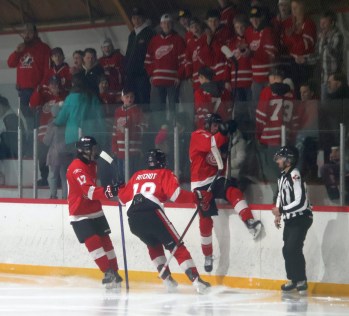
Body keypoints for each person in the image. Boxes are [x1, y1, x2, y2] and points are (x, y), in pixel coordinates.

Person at [117, 148, 212, 294]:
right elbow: (176, 195)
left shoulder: (137, 175)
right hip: (152, 213)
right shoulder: (165, 173)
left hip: (133, 220)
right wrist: (197, 196)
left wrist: (121, 187)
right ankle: (197, 282)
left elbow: (123, 198)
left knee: (153, 244)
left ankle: (167, 280)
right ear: (161, 162)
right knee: (177, 247)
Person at [189, 113, 263, 273]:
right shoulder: (198, 135)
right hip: (200, 184)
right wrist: (223, 131)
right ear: (207, 124)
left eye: (218, 125)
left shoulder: (219, 137)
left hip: (215, 178)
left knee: (233, 191)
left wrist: (231, 132)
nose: (217, 127)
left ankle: (249, 221)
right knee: (205, 221)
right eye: (214, 125)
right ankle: (208, 255)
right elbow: (212, 143)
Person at [66, 136, 123, 289]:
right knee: (93, 242)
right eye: (93, 148)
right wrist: (109, 192)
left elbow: (97, 187)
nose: (96, 151)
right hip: (79, 212)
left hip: (95, 210)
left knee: (106, 243)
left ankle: (115, 272)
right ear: (84, 150)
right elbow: (89, 191)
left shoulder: (93, 164)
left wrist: (114, 184)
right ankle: (107, 272)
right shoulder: (76, 168)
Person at [272, 145, 313, 294]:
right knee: (287, 249)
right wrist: (278, 214)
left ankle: (301, 280)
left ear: (289, 161)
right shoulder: (282, 176)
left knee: (292, 248)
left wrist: (281, 210)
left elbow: (301, 202)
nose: (277, 161)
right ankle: (294, 279)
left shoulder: (294, 174)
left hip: (301, 218)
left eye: (281, 158)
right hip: (291, 219)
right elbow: (280, 196)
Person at [7, 23, 51, 155]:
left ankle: (38, 149)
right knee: (27, 121)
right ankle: (30, 148)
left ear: (35, 33)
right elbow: (10, 63)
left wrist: (40, 88)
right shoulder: (22, 48)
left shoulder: (44, 48)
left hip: (36, 91)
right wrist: (17, 52)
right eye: (24, 32)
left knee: (37, 122)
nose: (27, 35)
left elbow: (47, 70)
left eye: (30, 32)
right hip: (23, 91)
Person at [145, 13, 186, 130]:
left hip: (173, 80)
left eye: (168, 23)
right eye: (164, 23)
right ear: (161, 25)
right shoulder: (154, 40)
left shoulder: (178, 40)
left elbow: (184, 60)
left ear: (172, 24)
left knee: (173, 104)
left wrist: (179, 76)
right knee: (160, 106)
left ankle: (174, 126)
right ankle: (162, 128)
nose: (166, 25)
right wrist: (150, 75)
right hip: (158, 80)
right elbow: (148, 59)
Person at [30, 75, 66, 187]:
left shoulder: (63, 96)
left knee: (58, 157)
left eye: (56, 84)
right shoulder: (43, 95)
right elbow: (33, 104)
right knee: (42, 157)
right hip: (43, 133)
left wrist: (57, 95)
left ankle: (59, 180)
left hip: (58, 134)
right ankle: (44, 178)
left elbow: (65, 110)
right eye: (51, 84)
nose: (53, 86)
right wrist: (38, 91)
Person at [111, 87, 144, 183]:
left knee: (130, 176)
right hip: (120, 151)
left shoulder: (137, 111)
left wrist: (129, 129)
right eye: (127, 96)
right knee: (121, 175)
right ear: (122, 98)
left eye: (132, 97)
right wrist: (114, 147)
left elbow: (143, 128)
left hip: (132, 151)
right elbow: (114, 130)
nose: (129, 99)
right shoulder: (118, 111)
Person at [125, 7, 155, 109]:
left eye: (138, 18)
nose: (136, 21)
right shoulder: (132, 35)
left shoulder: (149, 33)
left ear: (143, 19)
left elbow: (152, 53)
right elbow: (128, 54)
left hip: (142, 74)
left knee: (143, 100)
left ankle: (145, 123)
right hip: (131, 74)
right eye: (134, 18)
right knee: (132, 101)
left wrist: (145, 69)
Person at [43, 105, 68, 199]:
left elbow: (47, 140)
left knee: (52, 176)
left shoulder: (52, 124)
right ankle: (65, 196)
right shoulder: (67, 123)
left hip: (54, 153)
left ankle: (53, 195)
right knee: (64, 177)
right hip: (66, 153)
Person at [0, 95, 21, 160]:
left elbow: (12, 143)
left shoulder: (10, 118)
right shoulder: (10, 118)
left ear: (2, 106)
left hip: (12, 155)